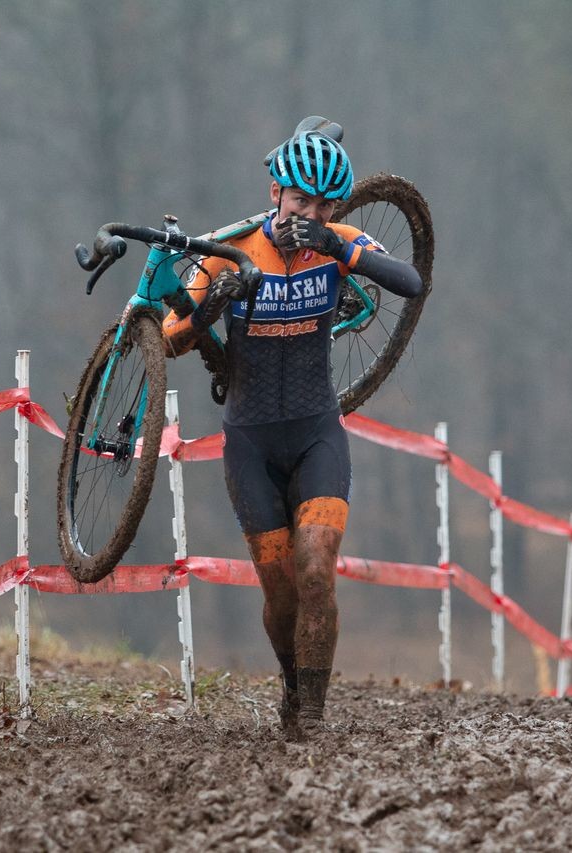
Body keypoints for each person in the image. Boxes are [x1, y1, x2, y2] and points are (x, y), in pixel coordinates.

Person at [163, 118, 422, 740]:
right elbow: (174, 339)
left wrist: (337, 246)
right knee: (280, 592)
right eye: (297, 199)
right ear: (275, 191)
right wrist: (216, 303)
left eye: (320, 205)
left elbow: (411, 283)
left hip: (315, 433)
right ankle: (290, 682)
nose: (305, 213)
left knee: (314, 570)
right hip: (250, 440)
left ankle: (310, 715)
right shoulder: (235, 247)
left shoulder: (338, 241)